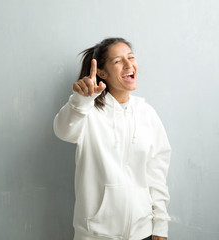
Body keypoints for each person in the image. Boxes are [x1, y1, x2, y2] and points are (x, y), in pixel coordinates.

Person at [53, 38, 171, 240]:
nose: (128, 65)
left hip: (141, 233)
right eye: (118, 61)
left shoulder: (147, 114)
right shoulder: (87, 111)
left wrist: (160, 224)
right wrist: (81, 100)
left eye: (131, 57)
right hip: (95, 234)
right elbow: (63, 131)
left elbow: (156, 172)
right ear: (102, 72)